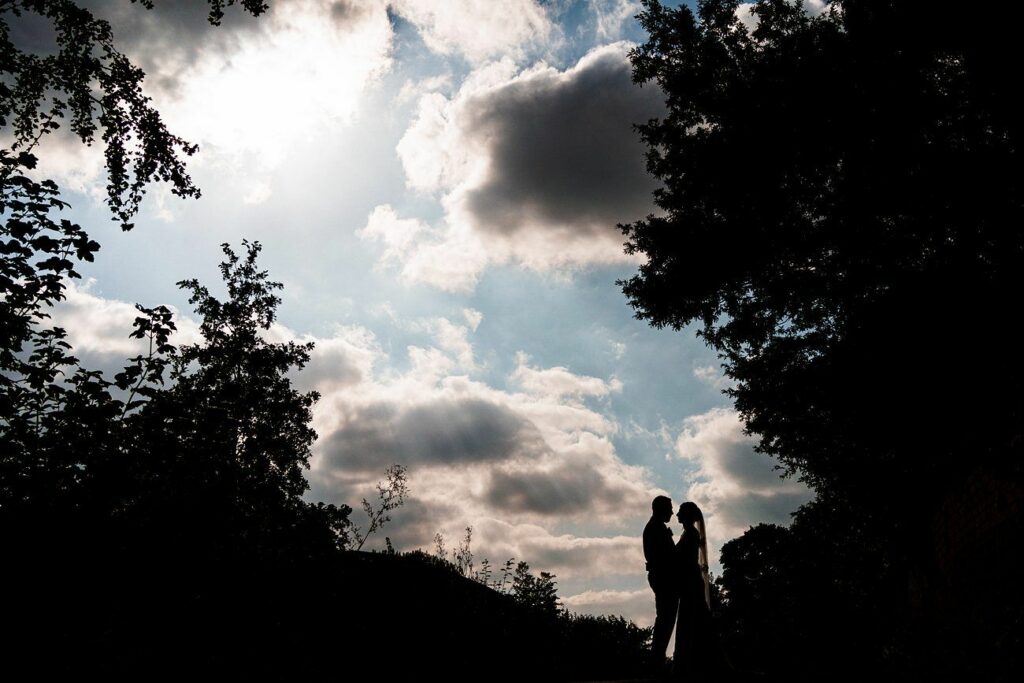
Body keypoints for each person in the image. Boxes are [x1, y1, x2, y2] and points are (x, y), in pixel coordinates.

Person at [672, 501, 714, 680]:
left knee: (692, 620)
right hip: (689, 582)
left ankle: (690, 663)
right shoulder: (689, 533)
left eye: (681, 512)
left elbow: (682, 559)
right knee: (692, 620)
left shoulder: (691, 534)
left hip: (691, 582)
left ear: (688, 516)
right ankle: (691, 662)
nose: (677, 515)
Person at [643, 495, 677, 671]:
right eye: (669, 508)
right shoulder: (655, 528)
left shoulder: (657, 527)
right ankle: (657, 661)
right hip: (663, 579)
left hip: (663, 578)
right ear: (660, 509)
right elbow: (664, 557)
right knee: (665, 618)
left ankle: (657, 659)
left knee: (666, 618)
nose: (672, 512)